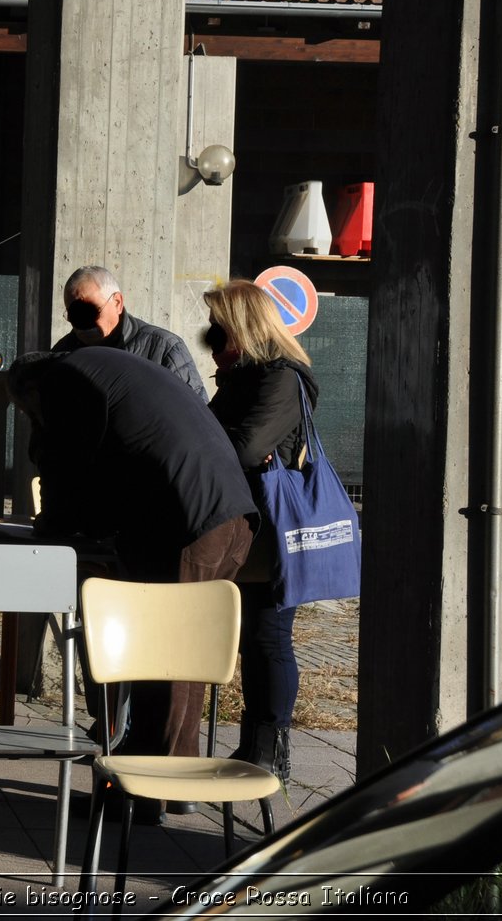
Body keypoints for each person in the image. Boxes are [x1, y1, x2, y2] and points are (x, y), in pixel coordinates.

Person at [8, 346, 255, 822]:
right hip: (229, 517)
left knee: (157, 661)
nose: (33, 418)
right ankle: (174, 787)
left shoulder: (63, 379)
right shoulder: (103, 370)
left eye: (26, 410)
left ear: (31, 389)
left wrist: (54, 519)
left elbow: (69, 463)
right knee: (185, 661)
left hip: (187, 522)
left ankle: (138, 796)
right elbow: (113, 456)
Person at [203, 280, 319, 786]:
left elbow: (245, 449)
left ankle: (270, 750)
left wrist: (223, 439)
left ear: (241, 326)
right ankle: (254, 745)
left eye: (218, 327)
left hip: (273, 529)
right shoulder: (242, 379)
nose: (212, 337)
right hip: (243, 526)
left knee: (270, 638)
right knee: (252, 639)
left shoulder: (280, 380)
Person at [52, 265, 206, 401]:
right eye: (76, 315)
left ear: (117, 303)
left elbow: (196, 418)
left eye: (90, 312)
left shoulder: (164, 349)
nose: (85, 325)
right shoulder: (62, 355)